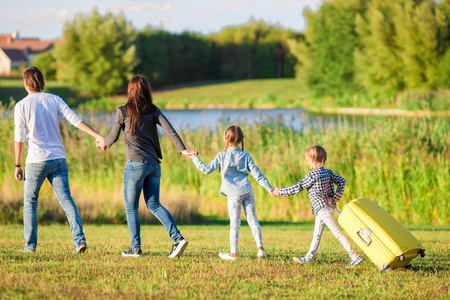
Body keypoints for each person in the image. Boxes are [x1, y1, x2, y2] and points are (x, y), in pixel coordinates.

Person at [97, 75, 192, 258]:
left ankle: (136, 248)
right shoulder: (154, 110)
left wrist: (103, 144)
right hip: (154, 166)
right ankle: (177, 238)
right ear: (146, 90)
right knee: (154, 204)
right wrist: (183, 150)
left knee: (131, 208)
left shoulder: (122, 111)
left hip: (135, 166)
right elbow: (171, 131)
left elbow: (113, 137)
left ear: (130, 91)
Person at [14, 66, 103, 254]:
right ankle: (79, 241)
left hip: (35, 162)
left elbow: (19, 137)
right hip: (58, 160)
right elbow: (75, 120)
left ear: (26, 83)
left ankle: (30, 246)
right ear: (41, 81)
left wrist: (17, 164)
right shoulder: (55, 99)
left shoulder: (21, 105)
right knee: (67, 200)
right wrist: (96, 135)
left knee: (30, 203)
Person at [188, 125, 273, 261]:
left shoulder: (222, 156)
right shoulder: (246, 156)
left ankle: (233, 254)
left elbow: (206, 169)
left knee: (235, 223)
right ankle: (260, 250)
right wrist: (270, 189)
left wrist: (195, 158)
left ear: (226, 139)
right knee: (253, 220)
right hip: (247, 192)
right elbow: (258, 175)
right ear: (240, 139)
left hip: (234, 195)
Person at [271, 145, 363, 268]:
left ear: (313, 160)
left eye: (308, 160)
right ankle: (309, 258)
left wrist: (279, 192)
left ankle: (354, 256)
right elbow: (342, 181)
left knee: (337, 232)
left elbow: (297, 187)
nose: (307, 162)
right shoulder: (328, 172)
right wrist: (334, 198)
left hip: (322, 209)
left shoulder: (312, 175)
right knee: (317, 235)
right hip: (325, 208)